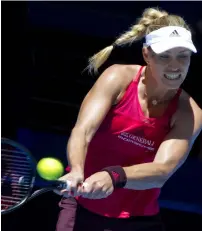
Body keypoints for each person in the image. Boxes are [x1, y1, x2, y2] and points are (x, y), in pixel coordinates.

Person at [55, 7, 202, 231]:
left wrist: (114, 176)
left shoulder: (189, 112)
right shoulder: (117, 77)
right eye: (165, 56)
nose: (175, 66)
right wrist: (76, 170)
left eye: (183, 56)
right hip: (80, 207)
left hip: (138, 220)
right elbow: (83, 131)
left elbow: (162, 170)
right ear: (147, 54)